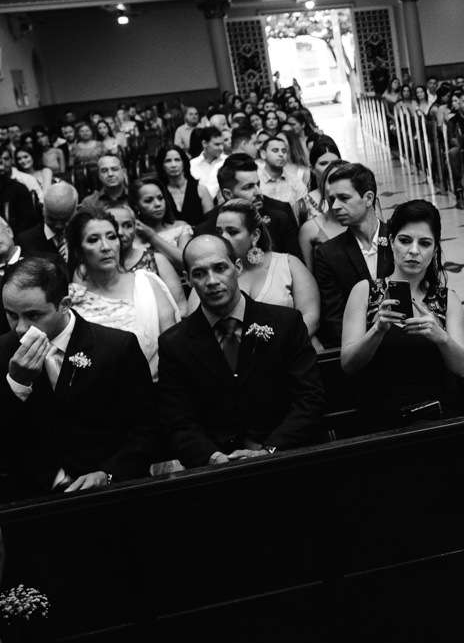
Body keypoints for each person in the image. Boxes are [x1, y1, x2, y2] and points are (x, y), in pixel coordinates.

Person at [159, 235, 326, 468]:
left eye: (220, 268)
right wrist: (215, 458)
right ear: (187, 279)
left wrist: (271, 451)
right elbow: (179, 421)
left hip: (286, 460)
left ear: (237, 267)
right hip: (216, 471)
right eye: (199, 273)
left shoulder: (285, 324)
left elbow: (310, 399)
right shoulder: (175, 343)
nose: (212, 281)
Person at [0, 257, 158, 496]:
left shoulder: (116, 348)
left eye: (32, 316)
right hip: (30, 499)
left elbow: (147, 428)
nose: (20, 328)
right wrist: (16, 385)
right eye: (11, 315)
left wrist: (108, 474)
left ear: (64, 304)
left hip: (108, 495)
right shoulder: (3, 351)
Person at [341, 199, 464, 419]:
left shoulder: (446, 299)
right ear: (391, 242)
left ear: (435, 249)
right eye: (405, 240)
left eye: (424, 243)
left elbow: (462, 368)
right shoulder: (365, 292)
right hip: (381, 416)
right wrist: (377, 330)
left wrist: (441, 337)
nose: (413, 251)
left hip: (440, 414)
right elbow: (348, 364)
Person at [64, 206, 179, 380]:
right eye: (93, 240)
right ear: (79, 251)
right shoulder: (73, 299)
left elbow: (173, 347)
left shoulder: (147, 284)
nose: (106, 247)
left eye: (111, 237)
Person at [210, 199, 320, 338]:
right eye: (219, 232)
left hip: (294, 350)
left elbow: (311, 317)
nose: (223, 238)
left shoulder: (288, 264)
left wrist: (279, 348)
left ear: (255, 235)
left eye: (232, 232)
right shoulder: (210, 274)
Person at [312, 163, 392, 346]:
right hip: (361, 347)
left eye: (343, 198)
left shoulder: (399, 239)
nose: (335, 206)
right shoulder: (328, 254)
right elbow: (334, 318)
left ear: (368, 198)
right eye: (332, 199)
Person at [195, 154, 302, 259]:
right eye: (248, 187)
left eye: (258, 184)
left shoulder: (280, 213)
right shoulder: (209, 225)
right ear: (228, 194)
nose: (258, 192)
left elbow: (295, 262)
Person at [108, 203, 186, 308]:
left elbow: (181, 307)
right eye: (115, 226)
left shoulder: (157, 260)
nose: (121, 232)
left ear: (135, 228)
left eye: (128, 226)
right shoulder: (97, 267)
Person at [130, 176, 193, 268]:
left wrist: (152, 236)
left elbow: (186, 262)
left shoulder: (180, 227)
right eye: (149, 201)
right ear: (136, 206)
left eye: (160, 198)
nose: (158, 204)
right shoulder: (131, 236)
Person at [16, 181, 75, 267]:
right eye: (52, 219)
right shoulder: (26, 242)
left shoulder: (82, 234)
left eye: (64, 220)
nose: (58, 226)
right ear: (43, 210)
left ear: (75, 212)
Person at [257, 135, 309, 221]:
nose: (281, 154)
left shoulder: (295, 182)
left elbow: (304, 212)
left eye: (284, 151)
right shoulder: (256, 180)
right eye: (275, 150)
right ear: (263, 154)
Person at [156, 143, 209, 225]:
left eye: (177, 160)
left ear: (184, 162)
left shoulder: (201, 189)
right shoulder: (160, 193)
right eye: (168, 161)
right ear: (162, 165)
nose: (173, 165)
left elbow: (211, 222)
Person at [189, 127, 227, 202]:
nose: (221, 148)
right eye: (217, 144)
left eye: (222, 144)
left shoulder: (227, 161)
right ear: (205, 143)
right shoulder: (192, 164)